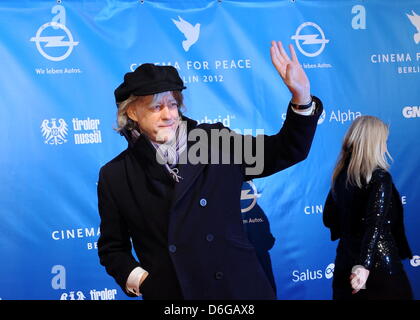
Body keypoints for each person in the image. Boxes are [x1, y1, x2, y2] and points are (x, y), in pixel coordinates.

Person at [97, 41, 323, 300]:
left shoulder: (215, 141)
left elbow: (284, 150)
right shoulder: (115, 175)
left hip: (239, 291)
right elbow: (112, 249)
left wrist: (302, 97)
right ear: (133, 113)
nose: (168, 114)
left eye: (172, 104)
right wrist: (144, 281)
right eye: (156, 107)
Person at [323, 116, 413, 300]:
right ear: (375, 143)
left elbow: (328, 219)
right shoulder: (379, 178)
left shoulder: (340, 177)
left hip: (345, 263)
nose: (385, 147)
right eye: (383, 141)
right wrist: (364, 266)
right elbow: (375, 225)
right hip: (378, 267)